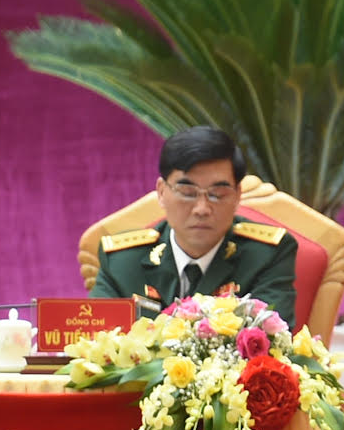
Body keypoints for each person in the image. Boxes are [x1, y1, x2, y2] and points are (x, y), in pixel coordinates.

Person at [90, 126, 299, 322]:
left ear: (237, 196)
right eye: (188, 193)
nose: (202, 209)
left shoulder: (266, 255)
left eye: (217, 194)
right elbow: (97, 340)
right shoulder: (122, 261)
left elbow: (272, 337)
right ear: (161, 192)